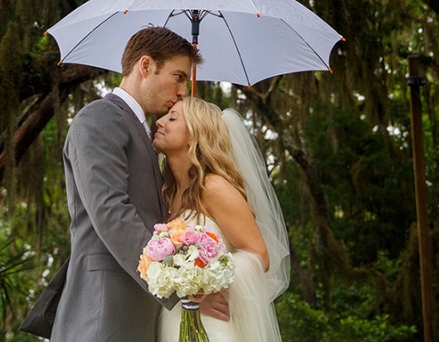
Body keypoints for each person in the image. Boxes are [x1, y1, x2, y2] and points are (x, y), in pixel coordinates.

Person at [50, 26, 218, 342]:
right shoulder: (100, 117)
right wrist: (181, 285)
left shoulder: (142, 132)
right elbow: (111, 212)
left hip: (137, 314)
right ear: (146, 66)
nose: (183, 91)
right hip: (104, 311)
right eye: (178, 77)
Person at [153, 97, 289, 342]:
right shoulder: (167, 192)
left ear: (194, 135)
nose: (159, 122)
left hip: (212, 324)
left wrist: (202, 283)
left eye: (172, 118)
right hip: (173, 319)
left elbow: (259, 255)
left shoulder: (213, 187)